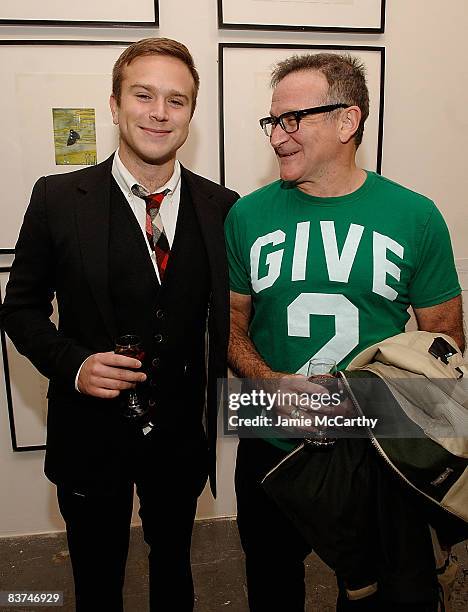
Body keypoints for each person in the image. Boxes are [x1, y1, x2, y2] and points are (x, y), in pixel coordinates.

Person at [1, 38, 238, 611]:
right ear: (114, 105)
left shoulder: (223, 207)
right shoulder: (58, 198)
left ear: (190, 114)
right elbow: (20, 308)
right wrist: (74, 364)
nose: (160, 112)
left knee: (174, 574)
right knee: (97, 579)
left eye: (176, 100)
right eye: (144, 95)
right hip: (90, 435)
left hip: (180, 438)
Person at [224, 53, 464, 611]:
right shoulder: (246, 215)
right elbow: (231, 325)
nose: (277, 136)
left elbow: (446, 348)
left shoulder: (416, 215)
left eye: (292, 120)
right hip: (268, 431)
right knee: (270, 588)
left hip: (376, 447)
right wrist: (269, 384)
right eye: (272, 121)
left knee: (378, 597)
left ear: (346, 121)